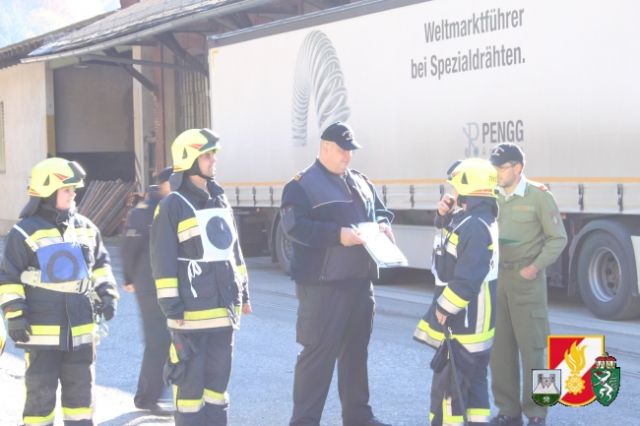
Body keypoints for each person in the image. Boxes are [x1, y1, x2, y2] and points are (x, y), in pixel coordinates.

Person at [281, 121, 393, 426]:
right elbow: (295, 227)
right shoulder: (301, 185)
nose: (348, 156)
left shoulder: (360, 181)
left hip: (360, 282)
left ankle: (358, 417)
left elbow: (380, 211)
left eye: (350, 151)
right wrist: (338, 235)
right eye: (343, 150)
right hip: (323, 286)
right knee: (317, 356)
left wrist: (384, 225)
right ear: (325, 148)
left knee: (356, 353)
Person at [0, 157, 118, 426]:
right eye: (67, 189)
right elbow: (8, 277)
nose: (73, 194)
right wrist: (15, 314)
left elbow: (101, 265)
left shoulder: (86, 228)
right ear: (47, 191)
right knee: (39, 402)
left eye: (73, 189)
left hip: (81, 334)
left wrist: (108, 293)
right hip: (41, 335)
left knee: (81, 401)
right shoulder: (24, 232)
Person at [150, 128, 251, 426]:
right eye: (207, 155)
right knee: (190, 390)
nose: (213, 160)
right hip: (190, 318)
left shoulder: (219, 199)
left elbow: (233, 251)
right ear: (189, 159)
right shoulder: (173, 205)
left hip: (223, 313)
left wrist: (244, 293)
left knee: (217, 390)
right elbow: (162, 260)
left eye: (213, 154)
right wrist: (172, 307)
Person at [414, 158, 499, 426]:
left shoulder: (474, 225)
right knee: (474, 388)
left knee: (448, 393)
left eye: (456, 186)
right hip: (478, 325)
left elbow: (467, 278)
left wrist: (444, 307)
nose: (453, 192)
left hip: (464, 324)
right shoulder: (478, 219)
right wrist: (443, 218)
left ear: (467, 188)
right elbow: (453, 245)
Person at [488, 143, 567, 426]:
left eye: (502, 167)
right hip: (498, 280)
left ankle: (538, 413)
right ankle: (507, 411)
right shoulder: (492, 196)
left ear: (518, 168)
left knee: (534, 351)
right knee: (500, 351)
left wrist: (534, 268)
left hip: (527, 282)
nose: (497, 173)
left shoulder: (538, 196)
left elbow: (558, 238)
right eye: (495, 168)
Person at [120, 166, 173, 415]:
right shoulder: (145, 210)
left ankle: (164, 392)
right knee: (158, 341)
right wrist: (129, 277)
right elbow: (129, 246)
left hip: (171, 284)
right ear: (164, 184)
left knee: (173, 341)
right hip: (149, 285)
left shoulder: (175, 205)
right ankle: (146, 397)